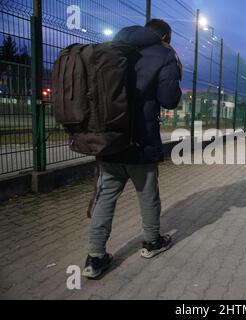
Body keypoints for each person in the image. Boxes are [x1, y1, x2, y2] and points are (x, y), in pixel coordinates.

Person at [82, 19, 182, 279]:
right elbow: (169, 99)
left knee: (105, 197)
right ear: (165, 37)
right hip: (141, 140)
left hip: (109, 139)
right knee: (148, 194)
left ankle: (95, 258)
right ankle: (151, 242)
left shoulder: (112, 47)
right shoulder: (164, 54)